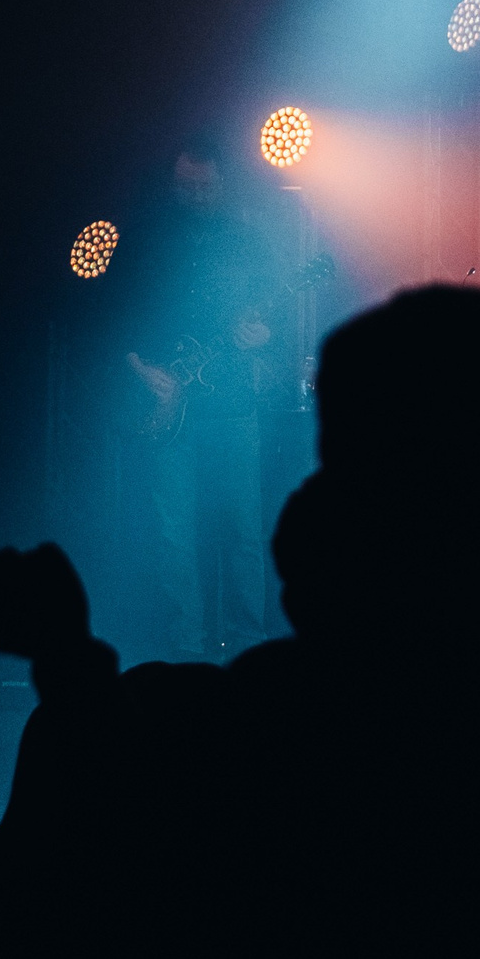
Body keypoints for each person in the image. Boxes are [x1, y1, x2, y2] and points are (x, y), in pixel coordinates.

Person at [119, 134, 294, 660]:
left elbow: (279, 315)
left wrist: (264, 336)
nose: (192, 193)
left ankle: (248, 650)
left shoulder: (249, 239)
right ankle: (185, 654)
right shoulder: (151, 241)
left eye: (202, 184)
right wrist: (141, 369)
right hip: (169, 406)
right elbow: (115, 314)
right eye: (183, 185)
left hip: (233, 406)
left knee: (242, 532)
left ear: (221, 180)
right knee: (174, 535)